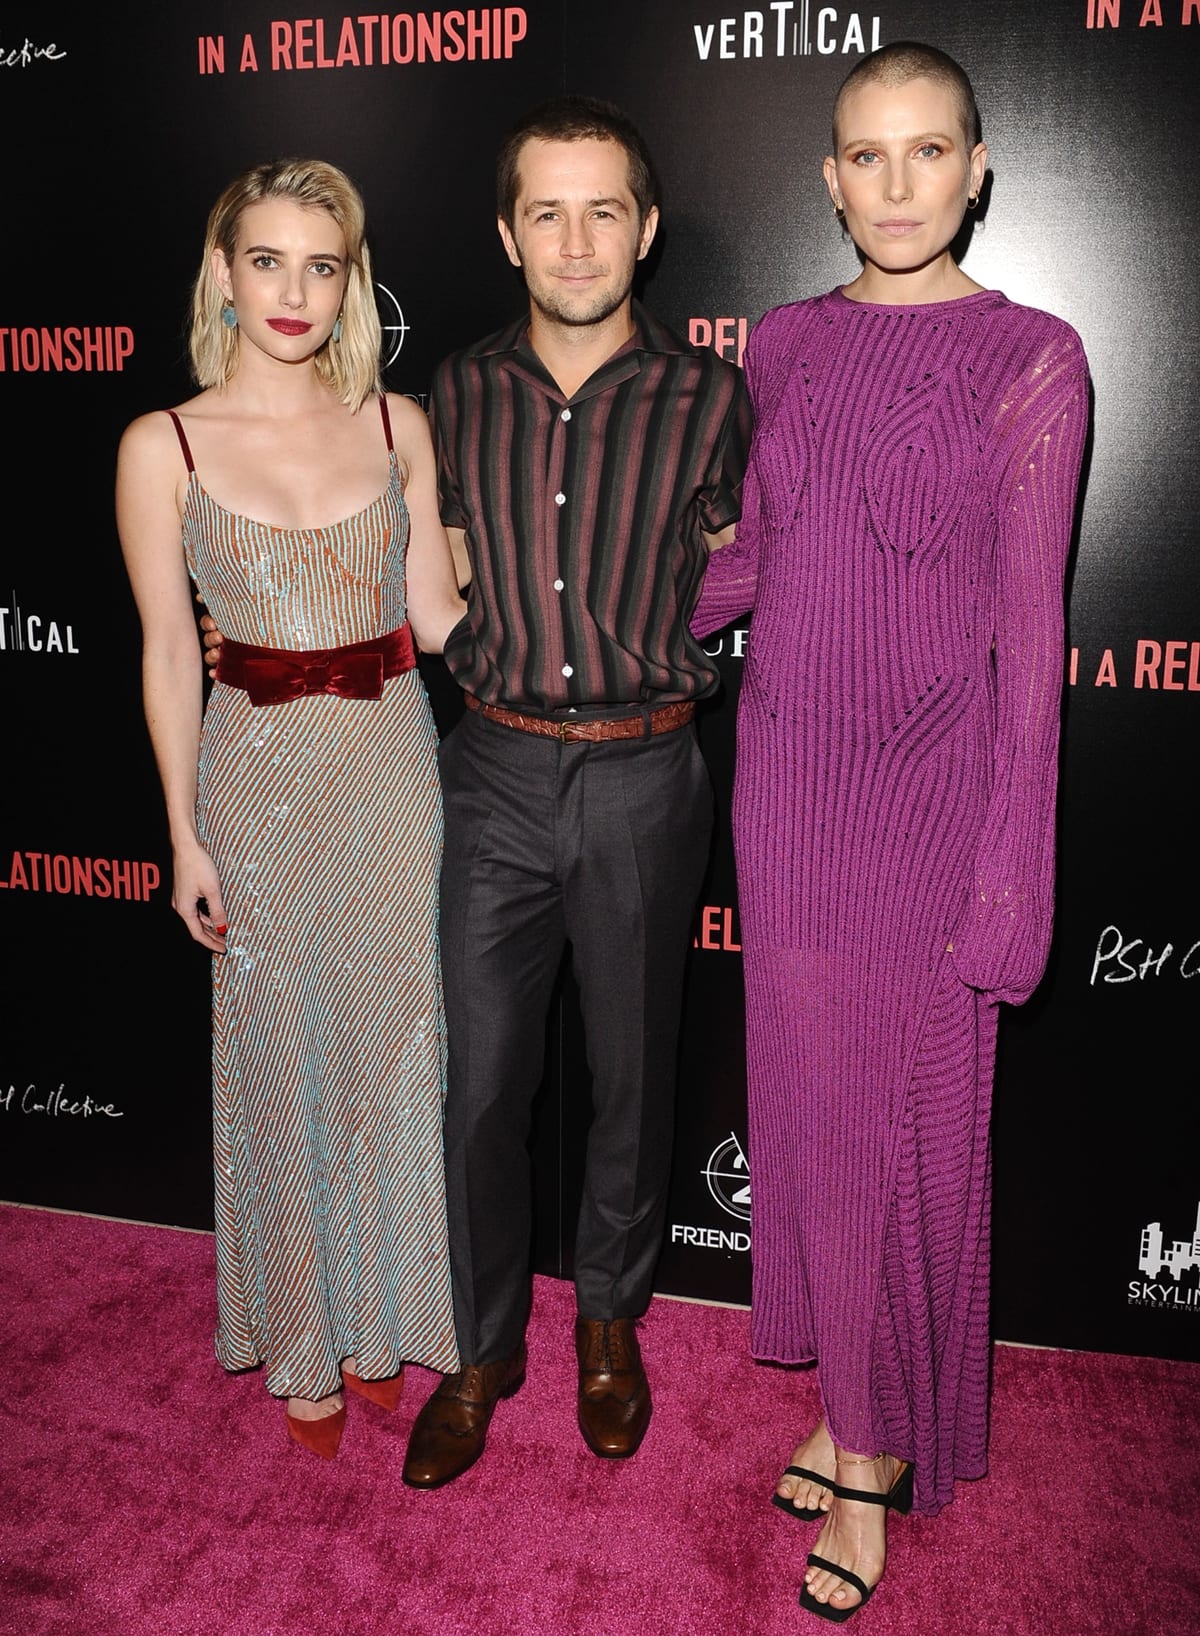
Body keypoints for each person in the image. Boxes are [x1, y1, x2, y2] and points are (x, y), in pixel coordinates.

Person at [691, 43, 1089, 1622]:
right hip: (786, 789)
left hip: (928, 806)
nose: (899, 184)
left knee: (905, 1132)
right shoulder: (782, 345)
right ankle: (854, 1400)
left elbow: (1030, 637)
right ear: (829, 176)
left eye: (930, 153)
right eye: (868, 155)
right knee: (812, 1123)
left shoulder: (1035, 358)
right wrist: (568, 599)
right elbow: (752, 566)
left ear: (979, 168)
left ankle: (872, 1455)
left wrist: (1015, 870)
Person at [116, 158, 466, 1459]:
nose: (295, 292)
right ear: (223, 271)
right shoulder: (167, 443)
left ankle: (385, 1320)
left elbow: (438, 620)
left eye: (322, 266)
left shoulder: (398, 424)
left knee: (391, 1054)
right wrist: (180, 832)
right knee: (280, 1062)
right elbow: (163, 650)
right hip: (252, 783)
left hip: (390, 765)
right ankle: (308, 1338)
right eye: (268, 261)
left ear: (351, 281)